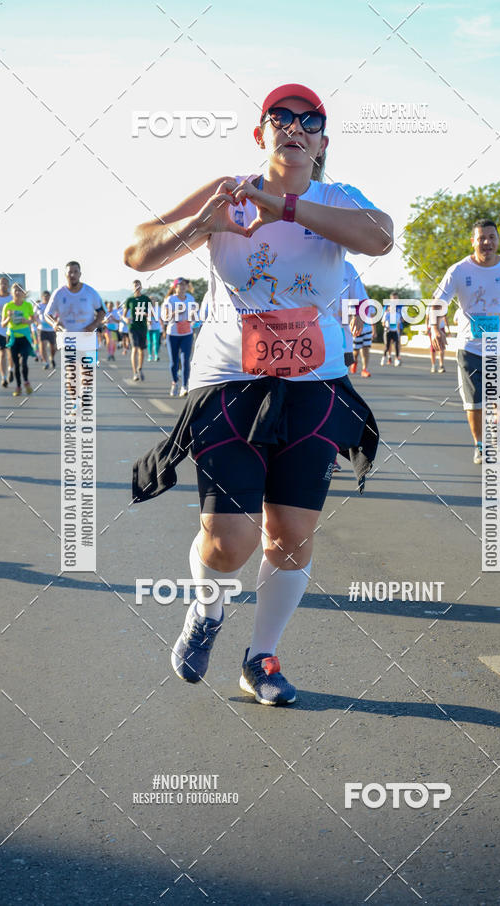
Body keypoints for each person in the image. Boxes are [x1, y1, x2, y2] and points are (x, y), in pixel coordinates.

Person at [125, 82, 392, 705]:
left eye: (310, 121)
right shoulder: (228, 189)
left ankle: (261, 658)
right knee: (231, 540)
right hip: (229, 383)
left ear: (323, 142)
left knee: (291, 536)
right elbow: (138, 252)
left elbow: (380, 238)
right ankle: (208, 610)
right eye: (281, 118)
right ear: (261, 133)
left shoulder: (337, 199)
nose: (294, 128)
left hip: (314, 387)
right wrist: (204, 224)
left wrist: (288, 211)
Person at [430, 219, 500, 465]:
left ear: (498, 240)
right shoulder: (459, 271)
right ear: (473, 241)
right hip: (470, 348)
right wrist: (434, 327)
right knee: (474, 403)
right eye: (481, 238)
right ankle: (481, 444)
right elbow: (437, 302)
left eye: (491, 237)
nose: (487, 242)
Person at [44, 262, 105, 405]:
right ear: (65, 275)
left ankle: (83, 395)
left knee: (87, 372)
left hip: (88, 339)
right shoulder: (59, 293)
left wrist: (94, 325)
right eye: (69, 272)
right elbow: (47, 314)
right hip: (68, 338)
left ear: (80, 274)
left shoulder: (90, 292)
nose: (72, 275)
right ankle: (75, 403)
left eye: (75, 272)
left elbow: (102, 312)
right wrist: (54, 323)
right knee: (71, 374)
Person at [161, 278, 196, 397]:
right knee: (173, 362)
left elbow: (194, 314)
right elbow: (165, 318)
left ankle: (184, 386)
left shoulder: (191, 298)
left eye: (185, 285)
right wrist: (176, 312)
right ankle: (175, 382)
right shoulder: (170, 300)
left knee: (186, 360)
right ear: (175, 287)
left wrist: (192, 317)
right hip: (173, 333)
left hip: (187, 333)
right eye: (180, 285)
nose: (182, 287)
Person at [1, 283, 35, 396]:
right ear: (11, 292)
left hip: (24, 337)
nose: (17, 292)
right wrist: (9, 317)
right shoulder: (7, 306)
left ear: (23, 293)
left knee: (23, 362)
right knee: (16, 364)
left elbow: (33, 319)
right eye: (15, 290)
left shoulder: (28, 305)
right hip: (12, 337)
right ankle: (18, 386)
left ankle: (26, 382)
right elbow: (2, 324)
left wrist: (27, 321)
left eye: (19, 290)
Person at [123, 279, 151, 381]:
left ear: (141, 287)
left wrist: (145, 314)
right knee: (134, 348)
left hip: (143, 327)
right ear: (133, 288)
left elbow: (151, 313)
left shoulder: (146, 299)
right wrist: (125, 319)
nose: (137, 288)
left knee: (141, 350)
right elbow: (124, 315)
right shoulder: (130, 300)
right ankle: (134, 372)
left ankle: (140, 368)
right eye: (135, 286)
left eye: (138, 286)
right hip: (132, 327)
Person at [35, 290, 57, 370]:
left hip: (51, 329)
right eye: (44, 296)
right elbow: (34, 316)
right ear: (42, 297)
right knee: (42, 346)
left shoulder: (52, 305)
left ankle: (52, 358)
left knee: (53, 347)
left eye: (47, 296)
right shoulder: (38, 305)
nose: (46, 298)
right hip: (42, 329)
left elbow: (57, 315)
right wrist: (36, 322)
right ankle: (45, 362)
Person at [381, 292, 402, 366]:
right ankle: (388, 357)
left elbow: (402, 319)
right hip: (388, 330)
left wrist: (398, 330)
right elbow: (383, 320)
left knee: (397, 344)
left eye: (396, 298)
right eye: (393, 298)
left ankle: (397, 358)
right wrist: (386, 326)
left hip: (396, 329)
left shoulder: (400, 307)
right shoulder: (387, 308)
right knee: (388, 345)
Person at [425, 306, 447, 373]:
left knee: (442, 346)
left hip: (441, 327)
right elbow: (427, 318)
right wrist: (426, 328)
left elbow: (445, 318)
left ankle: (441, 365)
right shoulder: (429, 307)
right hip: (431, 328)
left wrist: (448, 328)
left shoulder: (444, 305)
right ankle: (433, 365)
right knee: (433, 346)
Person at [147, 295, 162, 362]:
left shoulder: (158, 308)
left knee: (156, 342)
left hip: (156, 327)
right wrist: (147, 319)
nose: (153, 300)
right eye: (151, 299)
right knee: (150, 342)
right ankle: (150, 355)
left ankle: (156, 355)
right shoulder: (146, 308)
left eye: (154, 299)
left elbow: (158, 317)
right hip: (148, 328)